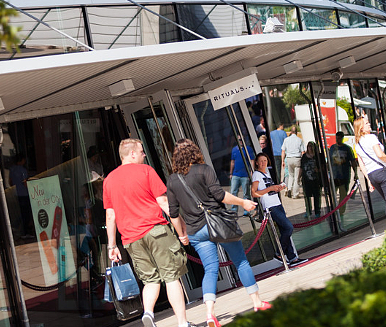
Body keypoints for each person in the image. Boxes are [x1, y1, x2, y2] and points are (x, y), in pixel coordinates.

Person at [167, 140, 271, 327]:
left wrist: (181, 233)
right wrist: (243, 202)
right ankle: (257, 302)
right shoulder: (204, 169)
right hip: (218, 224)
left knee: (210, 269)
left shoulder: (173, 180)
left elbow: (173, 213)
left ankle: (209, 314)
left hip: (195, 231)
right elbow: (220, 195)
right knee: (241, 261)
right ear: (194, 152)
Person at [103, 139, 191, 327]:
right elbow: (165, 203)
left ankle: (149, 313)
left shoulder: (109, 180)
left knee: (150, 280)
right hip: (156, 231)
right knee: (171, 277)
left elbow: (110, 215)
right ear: (132, 154)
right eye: (142, 152)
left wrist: (112, 245)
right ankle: (183, 323)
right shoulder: (146, 171)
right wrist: (181, 230)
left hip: (131, 239)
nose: (144, 154)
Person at [251, 153, 307, 266]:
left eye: (265, 161)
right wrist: (270, 188)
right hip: (270, 206)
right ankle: (278, 253)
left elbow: (269, 189)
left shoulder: (266, 173)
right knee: (288, 227)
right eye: (261, 161)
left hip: (277, 203)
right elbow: (254, 193)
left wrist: (277, 188)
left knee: (284, 230)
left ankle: (292, 258)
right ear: (256, 162)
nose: (263, 163)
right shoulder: (256, 174)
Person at [354, 116, 386, 226]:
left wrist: (369, 180)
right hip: (381, 172)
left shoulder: (357, 145)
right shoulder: (371, 137)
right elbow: (379, 154)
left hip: (372, 175)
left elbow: (362, 165)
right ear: (361, 128)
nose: (369, 124)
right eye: (367, 123)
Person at [328, 132, 357, 216]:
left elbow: (353, 161)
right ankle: (334, 210)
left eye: (339, 138)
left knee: (343, 194)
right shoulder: (332, 148)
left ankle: (341, 211)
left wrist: (355, 173)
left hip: (344, 175)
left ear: (342, 138)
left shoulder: (347, 149)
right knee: (333, 193)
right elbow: (329, 161)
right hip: (334, 175)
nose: (338, 140)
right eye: (337, 138)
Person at [9, 154, 34, 240]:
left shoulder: (12, 170)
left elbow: (10, 182)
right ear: (21, 160)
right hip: (24, 193)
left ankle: (18, 228)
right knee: (26, 213)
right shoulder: (23, 170)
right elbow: (25, 183)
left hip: (17, 193)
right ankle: (25, 231)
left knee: (21, 212)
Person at [229, 139, 255, 215]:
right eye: (239, 140)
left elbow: (252, 160)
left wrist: (251, 171)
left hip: (245, 174)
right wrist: (231, 173)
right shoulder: (234, 149)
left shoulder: (248, 149)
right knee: (233, 192)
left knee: (246, 193)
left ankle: (247, 210)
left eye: (241, 140)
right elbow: (232, 161)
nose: (240, 141)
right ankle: (234, 210)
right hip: (235, 174)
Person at [300, 142, 322, 219]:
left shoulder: (318, 156)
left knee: (316, 196)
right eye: (309, 146)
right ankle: (308, 210)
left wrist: (318, 170)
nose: (310, 148)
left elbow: (323, 167)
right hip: (306, 180)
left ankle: (317, 211)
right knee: (307, 196)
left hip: (316, 180)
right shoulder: (304, 157)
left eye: (312, 146)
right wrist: (299, 177)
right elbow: (301, 168)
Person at [281, 126, 305, 198]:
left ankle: (289, 188)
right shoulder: (299, 140)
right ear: (297, 132)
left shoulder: (286, 140)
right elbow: (303, 152)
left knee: (290, 175)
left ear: (291, 132)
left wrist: (282, 160)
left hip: (289, 158)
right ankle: (295, 194)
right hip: (297, 158)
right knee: (296, 177)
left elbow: (283, 151)